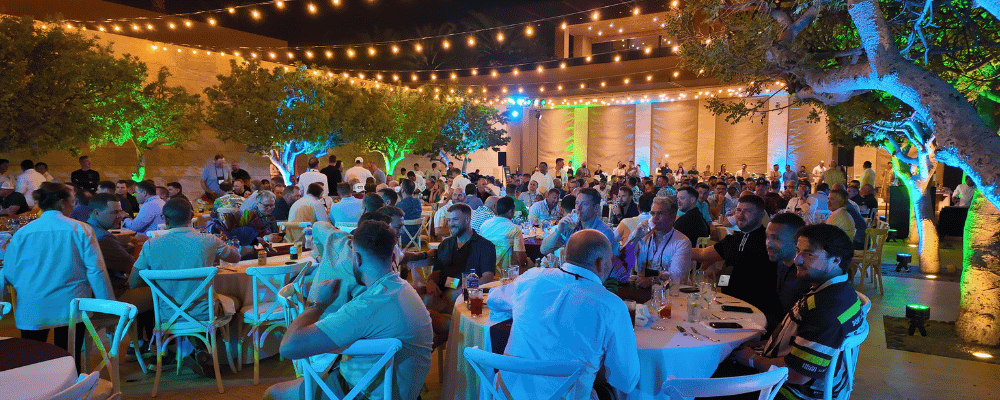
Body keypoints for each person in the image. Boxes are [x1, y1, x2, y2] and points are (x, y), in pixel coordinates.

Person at [265, 221, 433, 400]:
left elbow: (289, 347)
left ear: (357, 258)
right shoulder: (402, 289)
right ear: (393, 257)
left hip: (362, 392)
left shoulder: (369, 305)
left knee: (272, 394)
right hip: (399, 391)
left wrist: (317, 304)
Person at [487, 229, 640, 399]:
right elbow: (626, 381)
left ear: (566, 256)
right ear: (600, 263)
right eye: (610, 259)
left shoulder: (532, 278)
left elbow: (493, 299)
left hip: (506, 394)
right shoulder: (612, 307)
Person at [730, 224, 866, 400]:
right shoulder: (840, 291)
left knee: (707, 377)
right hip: (809, 380)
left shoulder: (825, 308)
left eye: (809, 254)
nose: (797, 260)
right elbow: (806, 341)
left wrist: (751, 360)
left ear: (836, 260)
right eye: (797, 251)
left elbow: (797, 375)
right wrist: (767, 343)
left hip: (790, 392)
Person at [4, 182, 114, 352]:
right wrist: (108, 307)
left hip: (32, 306)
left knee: (33, 362)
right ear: (63, 203)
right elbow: (96, 271)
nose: (73, 206)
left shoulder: (21, 234)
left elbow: (9, 273)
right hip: (71, 305)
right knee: (70, 360)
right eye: (72, 202)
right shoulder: (81, 229)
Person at [692, 194, 781, 330]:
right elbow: (703, 254)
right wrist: (675, 246)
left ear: (761, 214)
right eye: (739, 210)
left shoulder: (769, 242)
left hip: (756, 312)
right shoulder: (733, 239)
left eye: (748, 211)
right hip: (727, 306)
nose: (741, 214)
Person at [425, 203, 496, 312]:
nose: (450, 224)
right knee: (422, 302)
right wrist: (431, 281)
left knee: (429, 311)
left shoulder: (485, 246)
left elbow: (488, 277)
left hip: (469, 298)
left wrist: (462, 291)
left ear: (467, 219)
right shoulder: (445, 244)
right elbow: (437, 271)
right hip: (442, 293)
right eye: (449, 220)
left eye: (454, 220)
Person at [628, 197, 693, 287]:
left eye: (660, 213)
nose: (655, 218)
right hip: (640, 291)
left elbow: (676, 276)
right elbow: (623, 260)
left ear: (673, 216)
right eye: (653, 214)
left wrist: (652, 280)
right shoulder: (642, 237)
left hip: (667, 294)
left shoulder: (682, 242)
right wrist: (635, 237)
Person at [541, 188, 619, 257]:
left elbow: (597, 266)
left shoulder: (604, 233)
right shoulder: (572, 227)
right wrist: (559, 230)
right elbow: (544, 250)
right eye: (577, 203)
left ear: (596, 208)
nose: (578, 208)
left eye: (584, 204)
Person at [765, 212, 812, 322]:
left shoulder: (806, 276)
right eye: (767, 237)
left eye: (776, 238)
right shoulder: (782, 263)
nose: (769, 244)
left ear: (798, 241)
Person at [479, 196, 529, 271]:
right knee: (531, 265)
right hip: (504, 271)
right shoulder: (514, 229)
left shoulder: (484, 225)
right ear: (511, 211)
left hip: (484, 267)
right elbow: (521, 258)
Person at [396, 179, 422, 243]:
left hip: (402, 238)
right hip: (415, 237)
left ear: (402, 190)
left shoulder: (399, 206)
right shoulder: (418, 203)